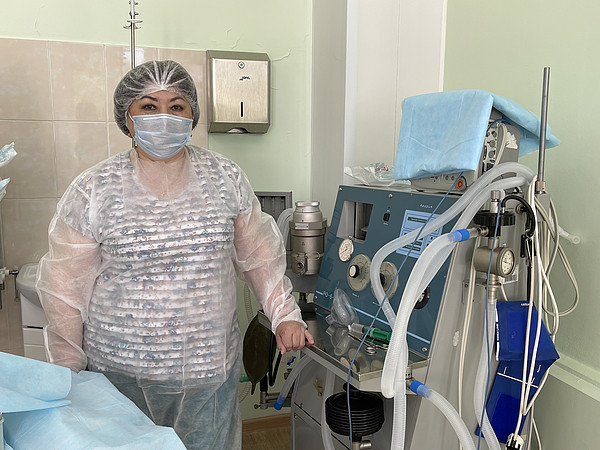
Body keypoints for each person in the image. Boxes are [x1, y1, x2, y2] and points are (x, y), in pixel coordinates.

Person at [36, 59, 314, 449]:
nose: (163, 117)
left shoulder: (224, 178)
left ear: (192, 115)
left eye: (177, 106)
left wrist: (284, 315)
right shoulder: (94, 189)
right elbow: (64, 289)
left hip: (208, 372)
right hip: (119, 373)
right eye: (149, 106)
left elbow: (260, 257)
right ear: (127, 117)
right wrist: (68, 369)